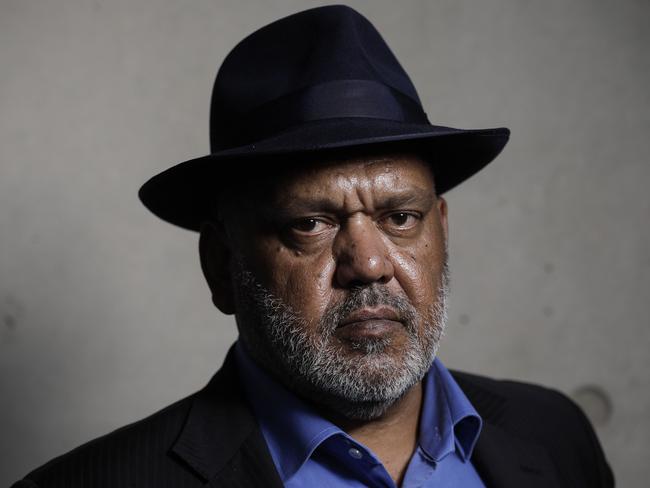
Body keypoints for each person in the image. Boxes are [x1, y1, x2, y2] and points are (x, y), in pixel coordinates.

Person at [12, 5, 614, 488]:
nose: (370, 264)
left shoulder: (556, 434)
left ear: (443, 233)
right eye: (310, 225)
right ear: (222, 266)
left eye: (401, 217)